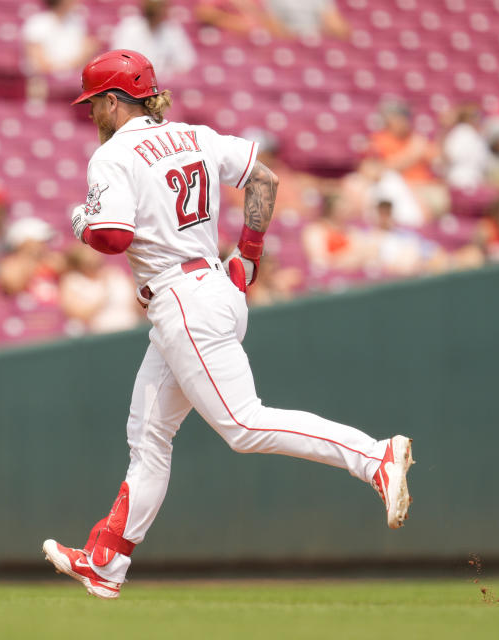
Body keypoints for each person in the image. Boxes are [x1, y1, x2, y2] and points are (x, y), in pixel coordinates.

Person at [41, 50, 415, 599]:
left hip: (182, 299)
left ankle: (373, 456)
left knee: (242, 425)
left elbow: (113, 236)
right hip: (211, 285)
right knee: (148, 436)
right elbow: (263, 178)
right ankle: (106, 561)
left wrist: (81, 222)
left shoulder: (113, 155)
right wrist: (251, 251)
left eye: (95, 100)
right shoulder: (195, 135)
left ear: (115, 100)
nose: (92, 111)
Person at [110, 0, 197, 81]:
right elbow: (121, 59)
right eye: (154, 7)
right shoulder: (129, 26)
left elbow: (185, 62)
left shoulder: (173, 29)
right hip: (135, 80)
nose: (157, 11)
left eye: (161, 7)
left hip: (165, 82)